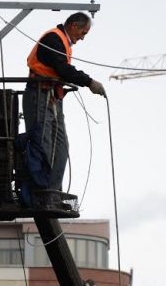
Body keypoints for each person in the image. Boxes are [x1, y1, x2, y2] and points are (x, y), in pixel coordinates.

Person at [23, 12, 106, 192]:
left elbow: (61, 69)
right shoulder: (54, 38)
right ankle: (40, 191)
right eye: (83, 33)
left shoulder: (62, 41)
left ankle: (53, 191)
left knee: (61, 146)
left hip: (52, 97)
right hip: (39, 95)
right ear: (74, 26)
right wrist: (89, 82)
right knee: (42, 143)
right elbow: (63, 69)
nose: (82, 38)